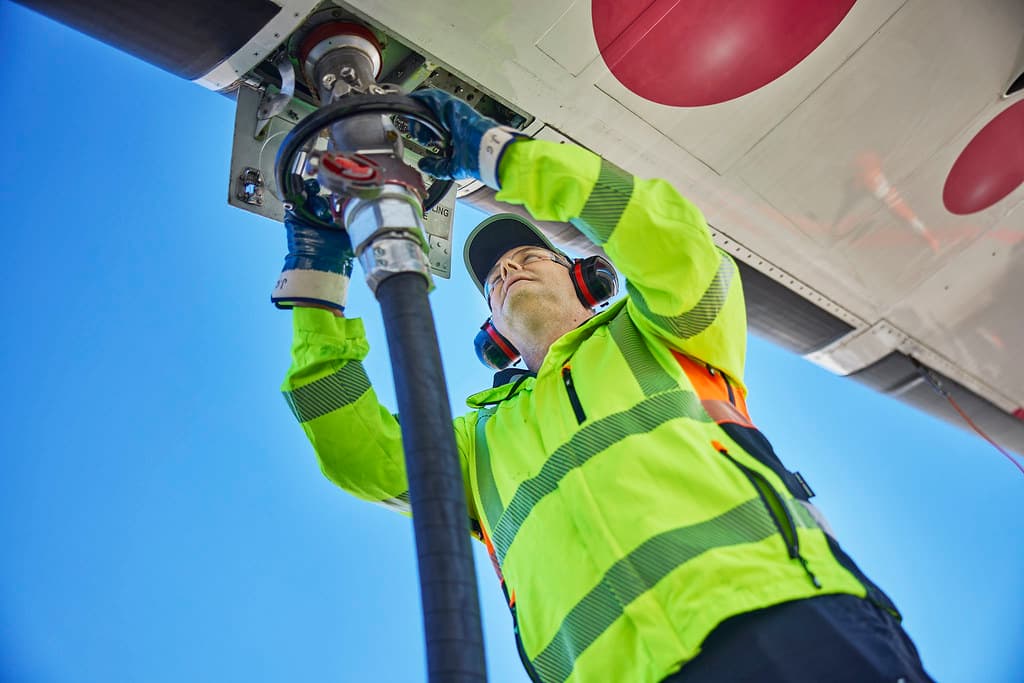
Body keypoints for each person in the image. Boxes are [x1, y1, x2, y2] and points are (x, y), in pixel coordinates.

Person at [273, 89, 932, 683]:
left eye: (530, 256)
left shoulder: (665, 336)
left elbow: (668, 238)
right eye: (494, 278)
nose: (508, 270)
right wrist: (317, 289)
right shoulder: (477, 446)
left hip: (786, 625)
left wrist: (503, 158)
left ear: (585, 279)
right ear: (492, 330)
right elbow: (354, 450)